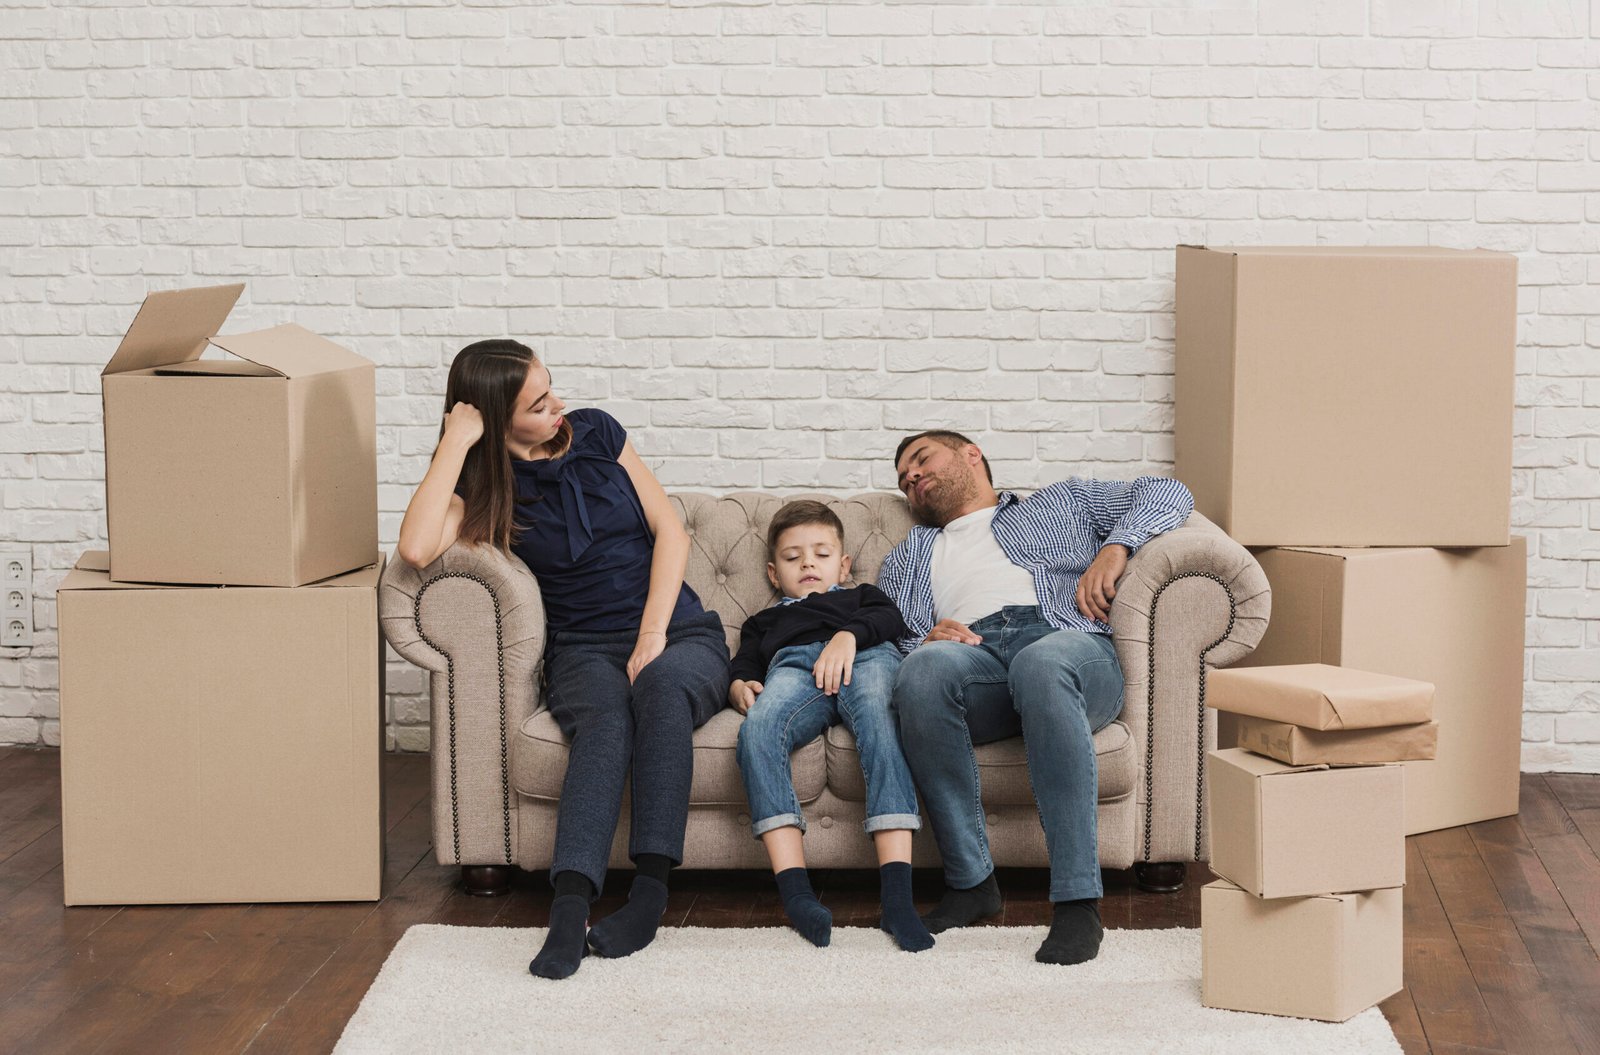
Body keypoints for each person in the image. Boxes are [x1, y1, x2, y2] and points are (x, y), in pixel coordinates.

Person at [396, 340, 730, 981]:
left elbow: (671, 530)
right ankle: (569, 909)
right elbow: (415, 548)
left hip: (678, 631)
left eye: (552, 389)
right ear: (497, 421)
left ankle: (648, 896)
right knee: (602, 725)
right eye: (538, 403)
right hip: (580, 648)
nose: (559, 406)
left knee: (660, 695)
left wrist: (652, 634)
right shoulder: (484, 488)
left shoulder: (600, 432)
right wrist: (455, 443)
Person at [878, 430, 1194, 965]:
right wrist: (922, 640)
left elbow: (1169, 492)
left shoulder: (1063, 501)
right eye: (903, 478)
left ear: (970, 455)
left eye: (920, 459)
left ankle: (1077, 903)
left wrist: (1118, 547)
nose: (910, 476)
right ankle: (970, 882)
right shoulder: (910, 553)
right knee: (922, 672)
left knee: (1041, 663)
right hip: (974, 658)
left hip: (1066, 645)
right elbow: (892, 633)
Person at [729, 500, 933, 953]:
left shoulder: (860, 597)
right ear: (772, 572)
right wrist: (738, 685)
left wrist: (847, 635)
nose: (807, 563)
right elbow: (744, 662)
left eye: (821, 554)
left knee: (883, 723)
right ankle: (798, 896)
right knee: (757, 731)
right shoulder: (764, 621)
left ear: (842, 565)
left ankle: (898, 902)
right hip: (795, 670)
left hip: (865, 656)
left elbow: (889, 620)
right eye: (792, 556)